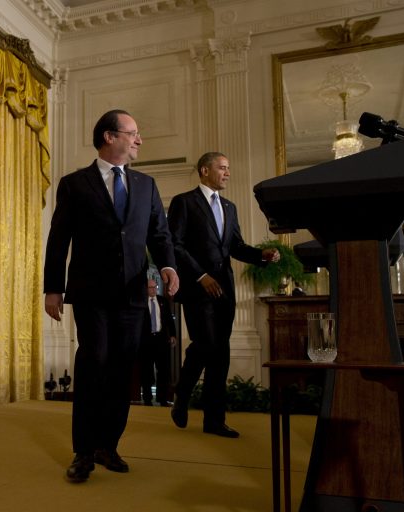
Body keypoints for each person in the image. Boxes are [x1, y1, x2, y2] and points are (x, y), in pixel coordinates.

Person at [43, 109, 179, 483]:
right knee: (94, 361)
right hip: (90, 293)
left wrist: (168, 267)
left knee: (122, 370)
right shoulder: (74, 184)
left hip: (134, 294)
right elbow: (59, 239)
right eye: (132, 133)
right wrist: (53, 288)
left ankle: (108, 445)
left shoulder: (147, 185)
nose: (139, 139)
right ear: (109, 137)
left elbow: (160, 235)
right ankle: (83, 451)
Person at [167, 152, 279, 439]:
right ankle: (182, 392)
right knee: (205, 343)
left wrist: (261, 256)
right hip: (197, 287)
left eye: (229, 168)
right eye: (223, 167)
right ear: (205, 170)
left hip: (225, 289)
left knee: (220, 353)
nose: (228, 173)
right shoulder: (184, 202)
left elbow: (236, 247)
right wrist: (200, 276)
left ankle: (214, 421)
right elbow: (176, 245)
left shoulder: (230, 207)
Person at [138, 275, 177, 407]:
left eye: (155, 287)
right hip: (146, 341)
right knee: (146, 371)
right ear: (145, 289)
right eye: (151, 287)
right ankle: (148, 399)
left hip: (161, 340)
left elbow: (169, 320)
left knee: (164, 371)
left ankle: (163, 399)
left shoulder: (163, 301)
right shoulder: (141, 302)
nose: (154, 290)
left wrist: (173, 335)